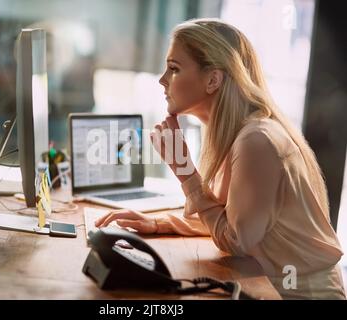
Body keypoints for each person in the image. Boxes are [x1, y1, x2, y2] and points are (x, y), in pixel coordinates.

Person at [95, 18, 345, 299]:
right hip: (271, 286)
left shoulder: (257, 140)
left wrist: (185, 172)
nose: (162, 80)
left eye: (174, 69)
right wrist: (160, 223)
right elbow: (229, 218)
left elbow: (237, 241)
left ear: (213, 79)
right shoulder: (233, 134)